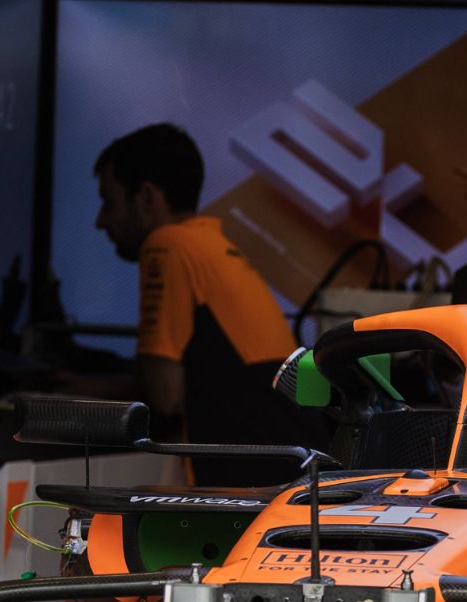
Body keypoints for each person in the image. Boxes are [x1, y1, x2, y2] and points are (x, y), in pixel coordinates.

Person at [88, 123, 324, 486]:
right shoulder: (209, 245)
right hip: (289, 475)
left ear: (147, 197)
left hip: (249, 485)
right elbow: (205, 382)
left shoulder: (166, 245)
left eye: (109, 202)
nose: (100, 222)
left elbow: (164, 397)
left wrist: (75, 397)